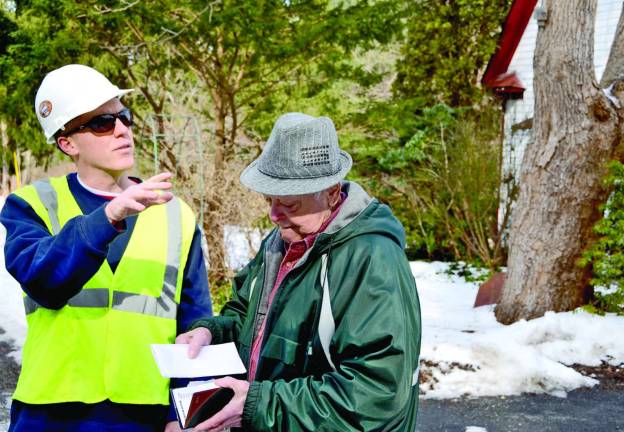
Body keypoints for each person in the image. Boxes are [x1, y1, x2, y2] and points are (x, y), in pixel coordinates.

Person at [0, 64, 213, 432]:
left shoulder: (178, 215)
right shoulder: (30, 205)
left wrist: (184, 414)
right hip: (49, 415)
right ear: (67, 143)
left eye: (124, 118)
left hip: (143, 414)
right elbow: (44, 281)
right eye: (101, 123)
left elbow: (194, 322)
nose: (122, 131)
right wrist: (110, 215)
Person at [176, 112, 421, 431]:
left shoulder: (372, 258)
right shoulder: (279, 243)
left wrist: (256, 404)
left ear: (332, 192)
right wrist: (213, 332)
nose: (274, 215)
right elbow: (247, 315)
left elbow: (377, 394)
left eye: (290, 204)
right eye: (269, 200)